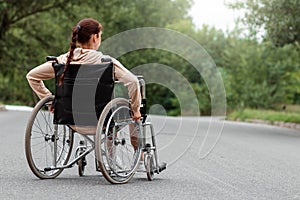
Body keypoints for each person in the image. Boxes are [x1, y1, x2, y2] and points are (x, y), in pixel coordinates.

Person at [26, 18, 141, 136]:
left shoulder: (63, 60)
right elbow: (133, 81)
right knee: (132, 111)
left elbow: (32, 76)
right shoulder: (105, 62)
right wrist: (136, 109)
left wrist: (51, 102)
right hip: (100, 123)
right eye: (100, 36)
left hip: (70, 121)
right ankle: (130, 153)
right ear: (95, 37)